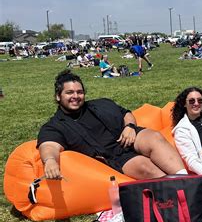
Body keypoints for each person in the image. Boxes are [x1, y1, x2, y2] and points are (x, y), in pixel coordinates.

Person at [37, 70, 187, 180]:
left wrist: (130, 127)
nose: (76, 96)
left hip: (128, 136)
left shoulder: (101, 104)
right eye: (69, 93)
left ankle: (187, 179)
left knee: (154, 136)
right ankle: (181, 187)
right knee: (144, 166)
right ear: (58, 96)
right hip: (113, 156)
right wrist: (50, 161)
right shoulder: (55, 125)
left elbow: (126, 113)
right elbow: (49, 146)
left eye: (80, 92)